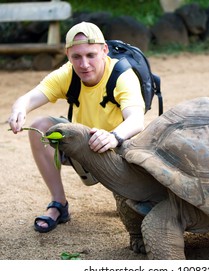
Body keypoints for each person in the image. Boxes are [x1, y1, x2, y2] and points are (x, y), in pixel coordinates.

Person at [8, 22, 145, 233]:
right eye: (76, 57)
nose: (84, 64)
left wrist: (113, 136)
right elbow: (29, 97)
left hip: (116, 149)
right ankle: (58, 204)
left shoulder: (122, 76)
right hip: (83, 145)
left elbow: (136, 119)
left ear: (104, 50)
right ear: (68, 55)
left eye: (91, 55)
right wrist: (20, 109)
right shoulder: (68, 74)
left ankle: (127, 193)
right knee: (40, 127)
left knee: (137, 208)